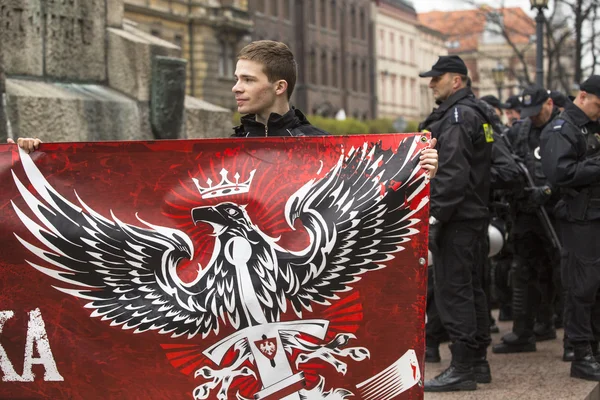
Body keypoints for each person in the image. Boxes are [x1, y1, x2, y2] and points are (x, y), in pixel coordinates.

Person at [419, 55, 493, 392]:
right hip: (471, 216)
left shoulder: (458, 117)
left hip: (457, 218)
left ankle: (463, 366)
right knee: (470, 289)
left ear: (457, 81)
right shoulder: (470, 113)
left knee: (454, 292)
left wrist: (435, 217)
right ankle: (477, 363)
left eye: (437, 78)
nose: (431, 83)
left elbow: (451, 173)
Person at [492, 85, 562, 355]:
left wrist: (547, 192)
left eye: (536, 111)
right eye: (527, 112)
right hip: (525, 212)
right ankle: (523, 331)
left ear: (549, 104)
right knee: (523, 271)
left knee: (558, 271)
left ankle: (558, 328)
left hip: (556, 213)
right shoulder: (519, 130)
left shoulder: (563, 128)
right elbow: (507, 164)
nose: (532, 117)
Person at [540, 75, 600, 382]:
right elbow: (559, 172)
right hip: (579, 218)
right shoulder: (563, 129)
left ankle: (595, 349)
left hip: (595, 216)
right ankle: (581, 353)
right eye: (598, 105)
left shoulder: (591, 126)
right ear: (584, 96)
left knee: (596, 288)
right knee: (582, 286)